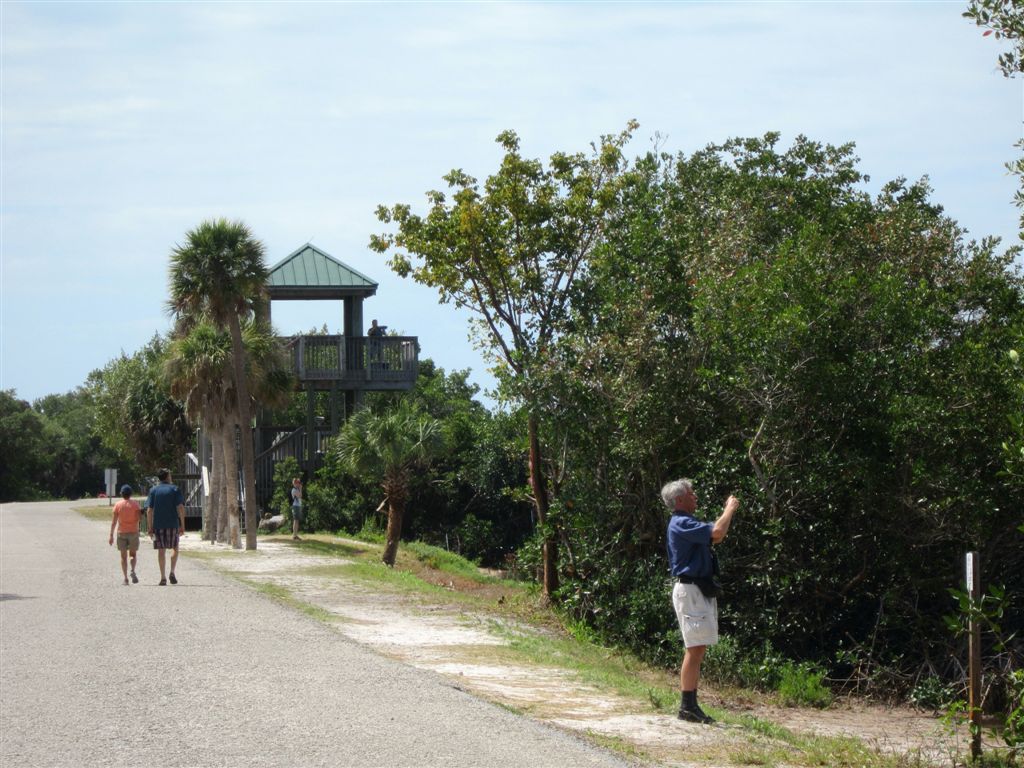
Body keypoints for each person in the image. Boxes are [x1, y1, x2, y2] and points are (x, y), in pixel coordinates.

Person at [662, 478, 739, 724]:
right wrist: (729, 509)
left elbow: (716, 537)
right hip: (691, 591)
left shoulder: (687, 523)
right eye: (691, 493)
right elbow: (717, 532)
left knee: (698, 648)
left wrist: (724, 517)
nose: (695, 496)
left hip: (696, 590)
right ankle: (687, 707)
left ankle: (690, 706)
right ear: (680, 500)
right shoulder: (681, 522)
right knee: (694, 649)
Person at [146, 468, 186, 586]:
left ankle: (163, 577)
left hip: (158, 525)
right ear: (168, 477)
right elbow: (180, 507)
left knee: (161, 551)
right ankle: (172, 572)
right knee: (175, 548)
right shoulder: (174, 489)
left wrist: (150, 527)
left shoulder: (153, 490)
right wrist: (182, 525)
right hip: (172, 524)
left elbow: (149, 510)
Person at [109, 484, 141, 585]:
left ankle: (126, 578)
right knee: (133, 555)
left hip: (121, 533)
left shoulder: (118, 505)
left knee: (123, 557)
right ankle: (132, 570)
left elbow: (114, 522)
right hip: (133, 532)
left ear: (122, 494)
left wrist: (111, 535)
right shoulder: (135, 504)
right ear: (130, 494)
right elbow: (139, 518)